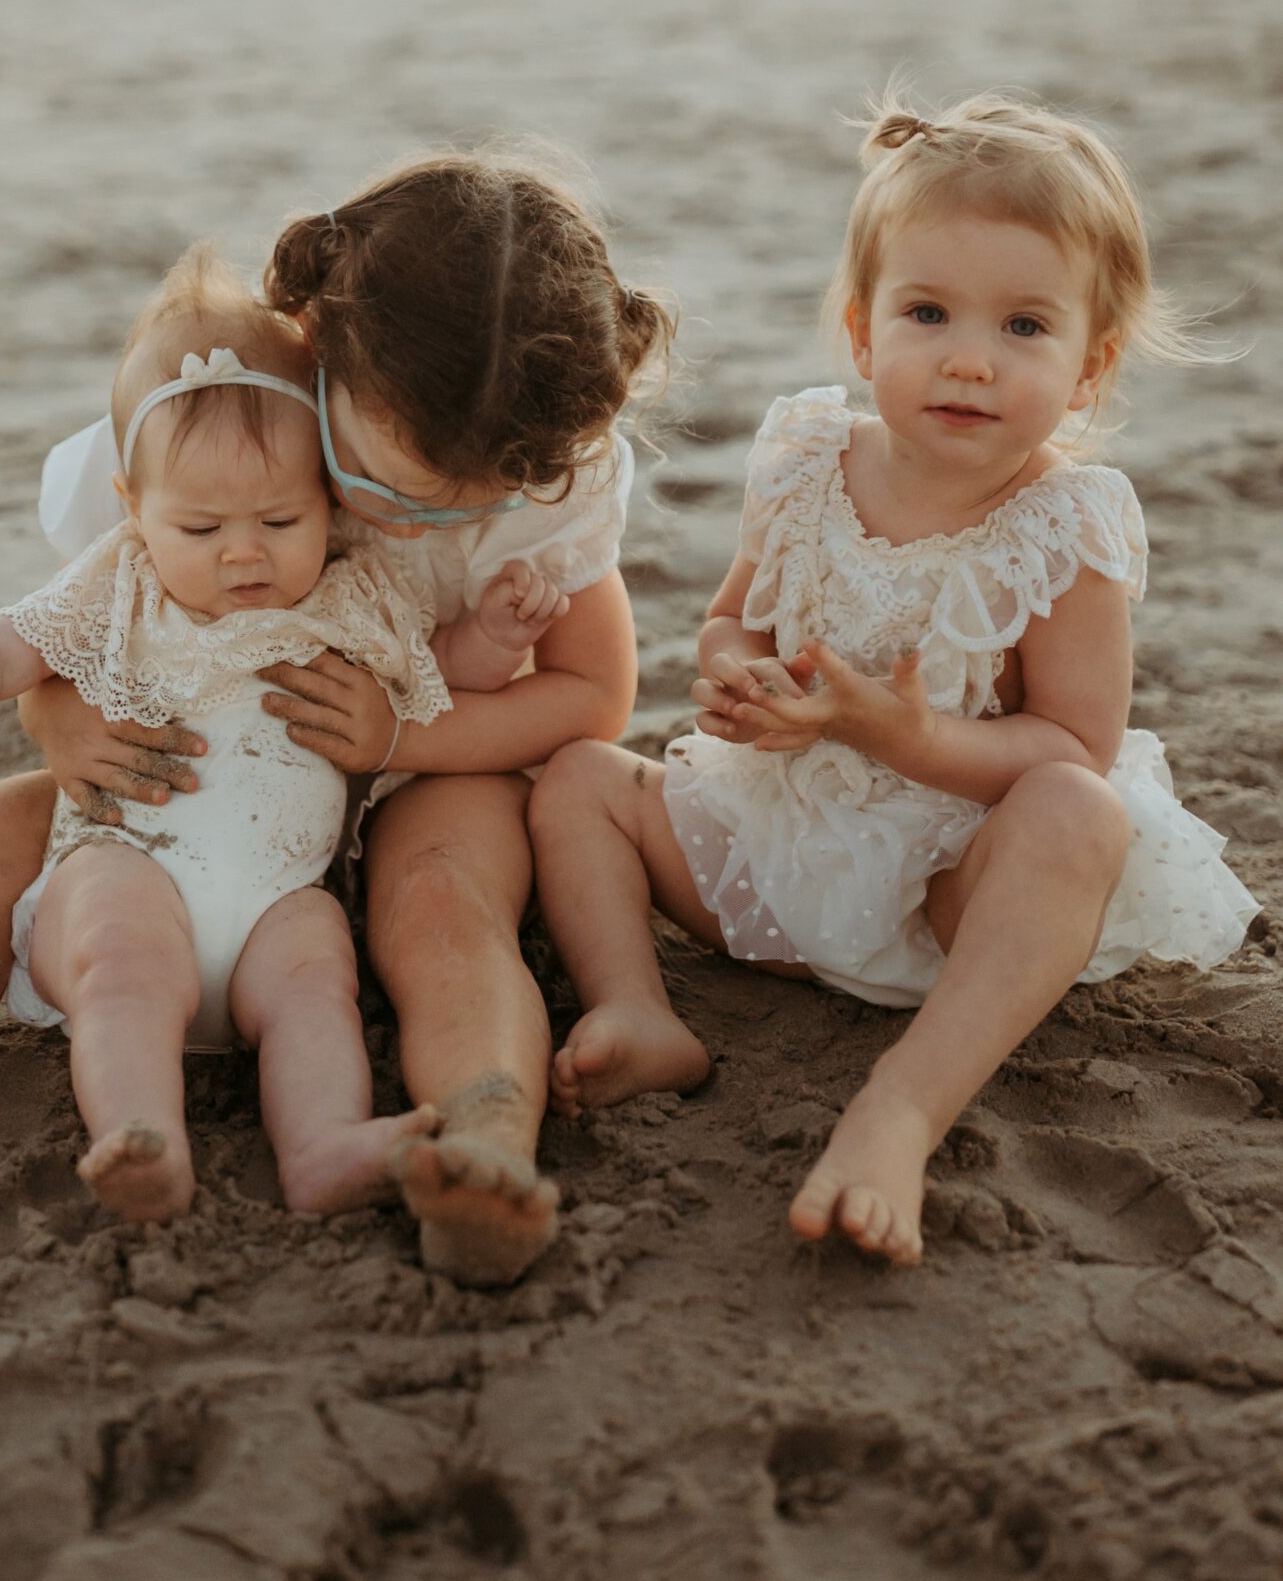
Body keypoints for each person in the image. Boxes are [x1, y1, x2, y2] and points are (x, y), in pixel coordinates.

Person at [0, 154, 672, 1286]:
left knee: (444, 891)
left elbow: (595, 695)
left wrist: (406, 744)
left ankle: (484, 1132)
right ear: (315, 346)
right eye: (388, 485)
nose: (421, 517)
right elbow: (85, 618)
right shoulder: (218, 403)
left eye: (472, 499)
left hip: (440, 752)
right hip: (198, 783)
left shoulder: (543, 464)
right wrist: (57, 724)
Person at [529, 95, 1258, 1265]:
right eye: (929, 312)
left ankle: (904, 1103)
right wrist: (745, 688)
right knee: (576, 778)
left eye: (1026, 326)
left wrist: (906, 736)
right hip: (776, 857)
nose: (970, 357)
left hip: (949, 899)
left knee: (1080, 816)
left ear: (1089, 365)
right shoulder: (812, 458)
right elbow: (727, 624)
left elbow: (1070, 743)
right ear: (866, 336)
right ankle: (638, 1007)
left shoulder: (1064, 529)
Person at [0, 246, 476, 1223]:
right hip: (127, 866)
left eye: (279, 518)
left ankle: (323, 1145)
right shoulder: (116, 585)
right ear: (132, 508)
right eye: (201, 529)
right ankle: (140, 1134)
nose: (244, 550)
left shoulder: (349, 593)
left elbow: (446, 684)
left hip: (274, 901)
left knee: (317, 978)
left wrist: (494, 635)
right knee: (124, 964)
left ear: (329, 500)